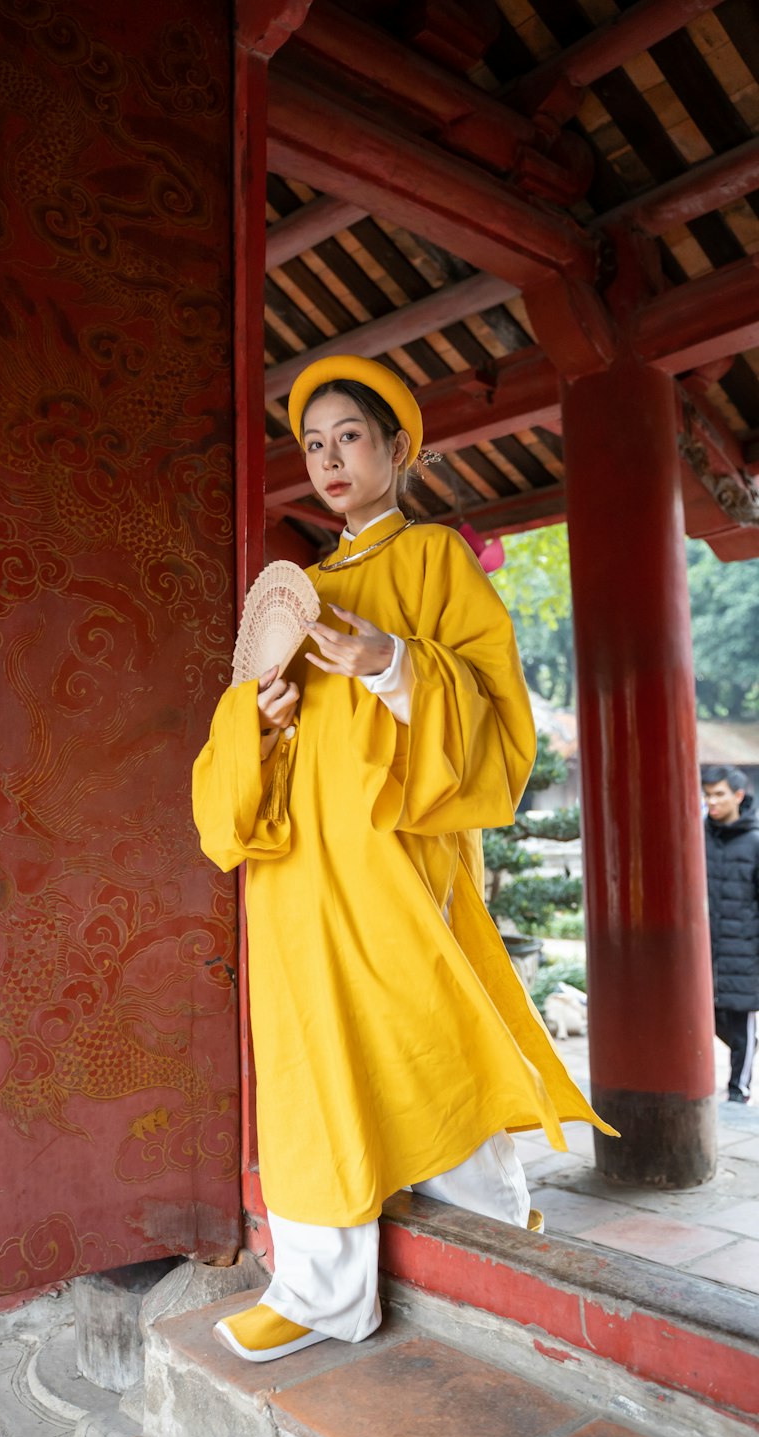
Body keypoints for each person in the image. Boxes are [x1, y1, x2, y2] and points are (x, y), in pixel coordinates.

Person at [192, 355, 615, 1364]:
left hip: (395, 863)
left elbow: (496, 723)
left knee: (435, 1028)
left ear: (394, 451)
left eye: (350, 438)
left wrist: (388, 659)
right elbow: (231, 770)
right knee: (308, 1065)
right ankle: (320, 1293)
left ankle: (500, 1240)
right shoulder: (297, 595)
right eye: (315, 444)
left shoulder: (432, 563)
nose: (331, 459)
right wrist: (264, 718)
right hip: (295, 873)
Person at [702, 765, 759, 1104]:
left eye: (719, 794)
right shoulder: (697, 836)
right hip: (705, 948)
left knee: (740, 1020)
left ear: (738, 795)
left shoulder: (755, 841)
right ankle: (748, 1047)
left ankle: (739, 1090)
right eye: (708, 794)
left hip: (745, 949)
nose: (712, 801)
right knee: (706, 1017)